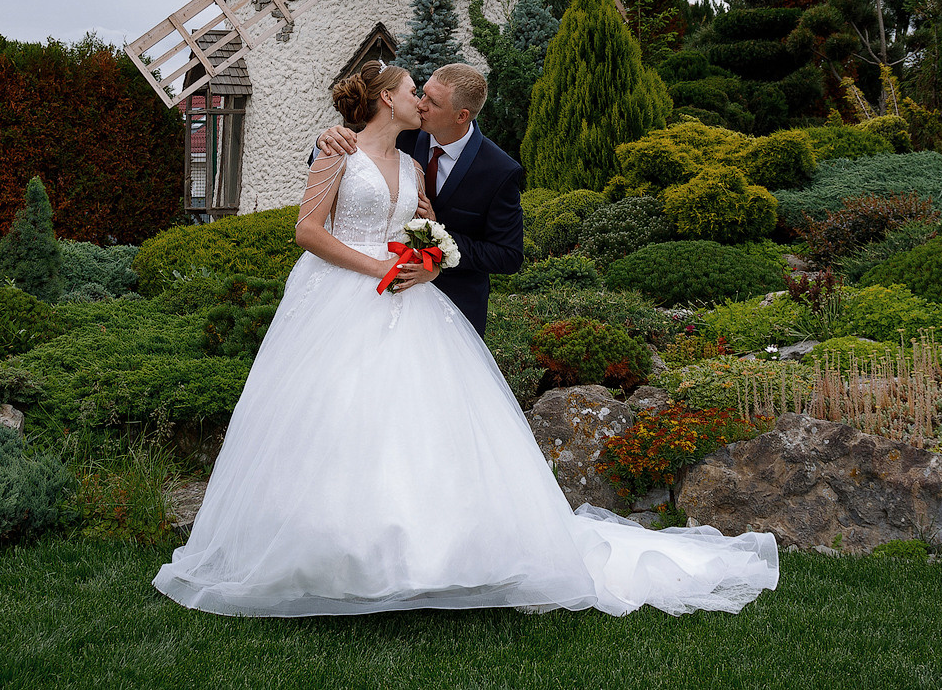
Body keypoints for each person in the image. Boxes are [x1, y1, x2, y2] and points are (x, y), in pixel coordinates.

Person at [153, 61, 777, 618]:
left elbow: (436, 230)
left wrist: (429, 260)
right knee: (335, 418)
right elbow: (309, 229)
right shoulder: (341, 150)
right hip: (342, 296)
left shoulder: (425, 159)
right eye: (409, 92)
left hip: (422, 302)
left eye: (426, 96)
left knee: (428, 429)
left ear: (460, 113)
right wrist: (378, 259)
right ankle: (324, 551)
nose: (418, 102)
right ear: (384, 102)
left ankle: (440, 552)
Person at [309, 62, 519, 337]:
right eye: (422, 93)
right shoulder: (403, 129)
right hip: (365, 292)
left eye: (433, 101)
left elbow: (509, 256)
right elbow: (355, 153)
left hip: (454, 307)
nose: (421, 104)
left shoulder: (499, 170)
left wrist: (438, 246)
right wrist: (323, 140)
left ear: (461, 116)